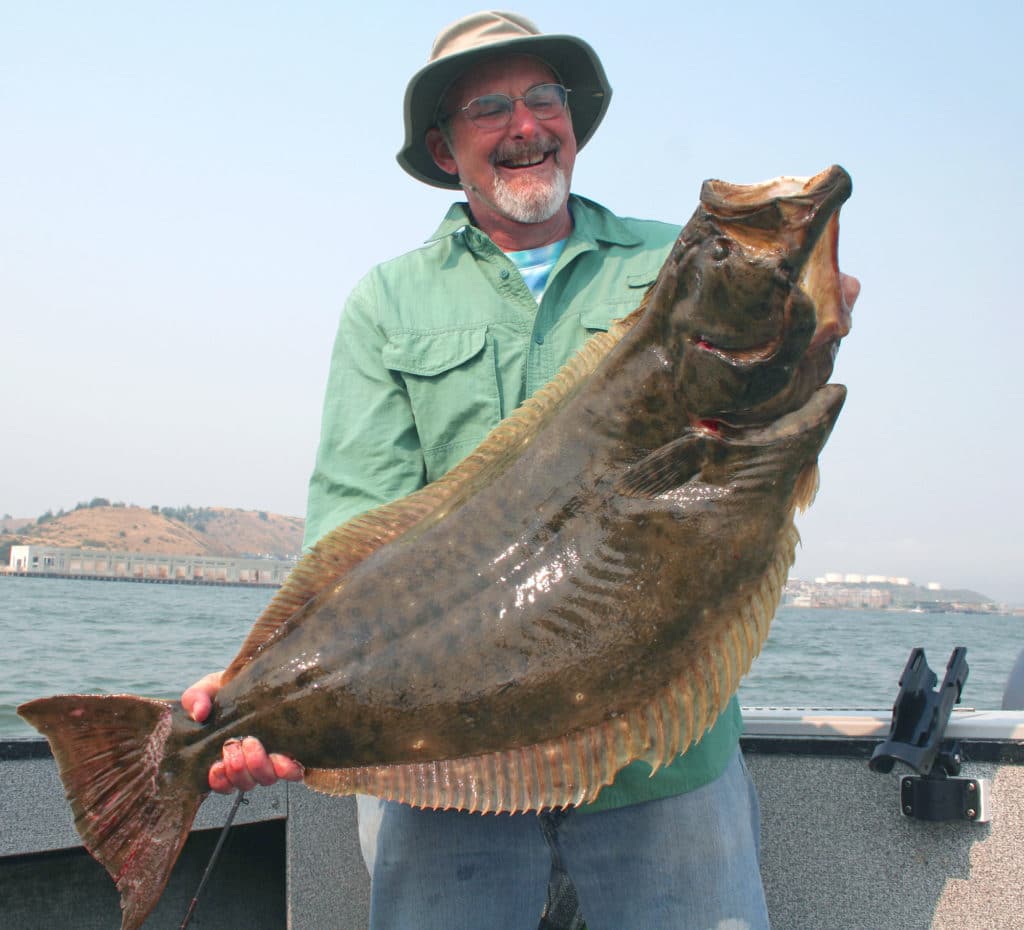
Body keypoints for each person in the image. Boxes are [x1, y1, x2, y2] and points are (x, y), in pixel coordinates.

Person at [182, 11, 861, 929]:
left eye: (546, 97)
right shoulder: (389, 302)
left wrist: (805, 318)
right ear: (444, 146)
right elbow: (357, 523)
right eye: (489, 107)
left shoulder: (668, 263)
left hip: (665, 770)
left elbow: (751, 456)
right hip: (445, 795)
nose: (527, 124)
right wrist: (257, 699)